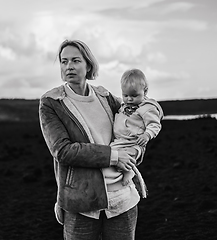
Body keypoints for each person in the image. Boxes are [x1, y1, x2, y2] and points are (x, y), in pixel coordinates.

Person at [39, 39, 140, 240]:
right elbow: (63, 151)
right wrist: (114, 156)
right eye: (64, 61)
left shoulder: (105, 97)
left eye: (75, 60)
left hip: (122, 199)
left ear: (88, 65)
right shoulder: (52, 103)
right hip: (81, 203)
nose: (69, 66)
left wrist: (135, 153)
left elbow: (134, 127)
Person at [107, 69, 164, 198]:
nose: (129, 99)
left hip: (135, 143)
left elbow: (155, 124)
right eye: (125, 95)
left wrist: (147, 135)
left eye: (134, 96)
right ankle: (125, 172)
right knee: (110, 153)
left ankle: (129, 172)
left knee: (123, 156)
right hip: (121, 141)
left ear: (145, 91)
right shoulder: (124, 106)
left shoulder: (147, 108)